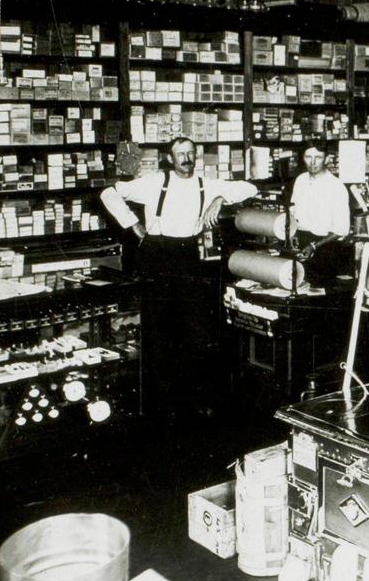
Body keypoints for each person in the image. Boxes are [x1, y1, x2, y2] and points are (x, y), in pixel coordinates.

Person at [100, 136, 257, 422]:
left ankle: (196, 398)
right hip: (157, 254)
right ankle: (162, 404)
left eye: (191, 153)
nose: (186, 158)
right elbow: (109, 193)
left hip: (188, 256)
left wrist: (219, 199)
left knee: (196, 330)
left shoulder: (206, 184)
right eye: (180, 154)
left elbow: (250, 186)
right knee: (158, 330)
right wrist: (132, 223)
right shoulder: (153, 182)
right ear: (169, 159)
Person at [287, 141, 351, 286]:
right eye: (308, 157)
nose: (313, 162)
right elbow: (293, 212)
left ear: (327, 159)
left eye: (318, 157)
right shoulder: (300, 180)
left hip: (324, 247)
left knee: (317, 292)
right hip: (300, 241)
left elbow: (341, 229)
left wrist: (314, 246)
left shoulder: (336, 186)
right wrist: (292, 234)